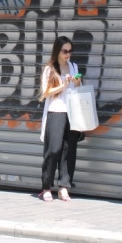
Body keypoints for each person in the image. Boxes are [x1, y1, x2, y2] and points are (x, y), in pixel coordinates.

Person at [38, 36, 82, 203]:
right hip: (56, 111)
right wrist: (62, 85)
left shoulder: (73, 66)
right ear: (57, 51)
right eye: (65, 51)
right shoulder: (50, 69)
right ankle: (46, 187)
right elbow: (45, 93)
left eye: (70, 51)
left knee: (68, 151)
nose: (68, 54)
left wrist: (76, 83)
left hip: (71, 112)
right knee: (54, 149)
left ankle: (64, 187)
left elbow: (78, 88)